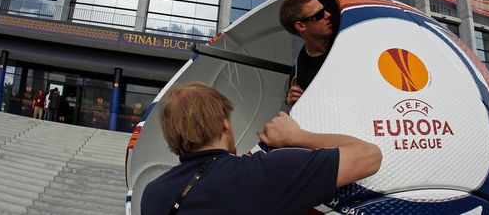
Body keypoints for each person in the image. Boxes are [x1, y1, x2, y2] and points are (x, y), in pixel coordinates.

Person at [141, 82, 382, 215]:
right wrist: (296, 136)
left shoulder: (152, 195)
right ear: (224, 122)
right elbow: (369, 156)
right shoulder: (263, 173)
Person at [279, 0, 336, 106]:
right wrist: (295, 105)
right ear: (301, 26)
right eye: (319, 15)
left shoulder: (346, 36)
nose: (328, 15)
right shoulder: (298, 74)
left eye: (324, 10)